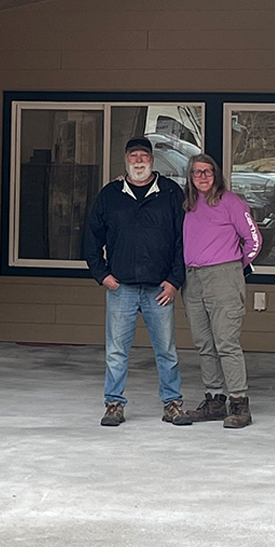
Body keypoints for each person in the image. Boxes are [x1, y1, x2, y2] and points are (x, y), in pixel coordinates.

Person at [83, 137, 191, 427]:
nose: (139, 160)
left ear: (152, 160)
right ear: (126, 160)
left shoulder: (169, 193)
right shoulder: (111, 194)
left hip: (160, 289)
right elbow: (91, 238)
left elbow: (183, 241)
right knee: (117, 350)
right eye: (134, 156)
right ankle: (114, 404)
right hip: (122, 288)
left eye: (144, 155)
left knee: (166, 349)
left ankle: (173, 404)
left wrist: (174, 281)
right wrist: (102, 275)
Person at [179, 154, 262, 429]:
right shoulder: (188, 204)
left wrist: (236, 266)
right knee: (205, 343)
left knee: (226, 342)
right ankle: (214, 400)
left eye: (207, 172)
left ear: (216, 175)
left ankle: (239, 402)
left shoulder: (231, 202)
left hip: (223, 276)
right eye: (196, 172)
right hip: (193, 279)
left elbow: (253, 240)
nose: (202, 177)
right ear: (190, 177)